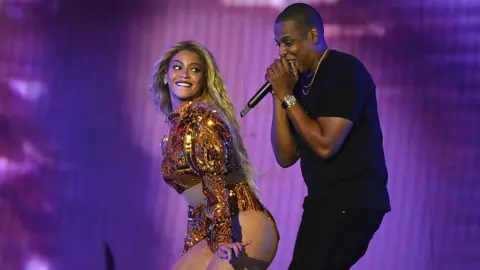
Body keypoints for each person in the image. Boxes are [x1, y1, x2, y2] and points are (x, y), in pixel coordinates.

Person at [267, 3, 391, 269]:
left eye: (288, 42)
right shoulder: (298, 84)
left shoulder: (344, 70)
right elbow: (286, 156)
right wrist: (280, 98)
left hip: (353, 200)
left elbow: (325, 145)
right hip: (323, 201)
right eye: (278, 44)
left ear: (313, 36)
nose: (282, 52)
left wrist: (288, 96)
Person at [150, 41, 279, 270]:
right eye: (177, 67)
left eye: (195, 69)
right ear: (164, 76)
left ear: (203, 80)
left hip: (243, 223)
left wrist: (222, 239)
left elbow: (215, 185)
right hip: (214, 230)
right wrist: (192, 248)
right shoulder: (172, 136)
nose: (185, 74)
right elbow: (197, 207)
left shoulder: (205, 121)